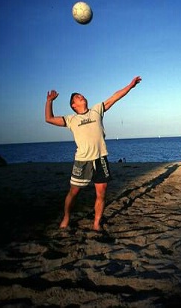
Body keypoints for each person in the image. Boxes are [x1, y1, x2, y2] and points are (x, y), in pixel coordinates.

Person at [45, 76, 142, 231]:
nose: (81, 96)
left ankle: (96, 223)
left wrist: (130, 85)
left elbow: (115, 97)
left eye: (81, 95)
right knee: (73, 192)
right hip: (82, 161)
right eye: (77, 97)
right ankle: (66, 217)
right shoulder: (71, 119)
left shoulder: (97, 110)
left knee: (101, 193)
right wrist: (50, 101)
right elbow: (48, 118)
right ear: (73, 105)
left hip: (100, 159)